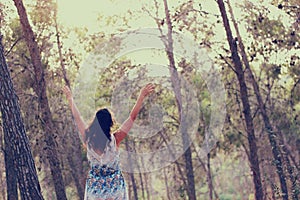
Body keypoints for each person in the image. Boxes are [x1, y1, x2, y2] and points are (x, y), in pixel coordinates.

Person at [63, 83, 155, 200]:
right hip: (115, 189)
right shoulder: (115, 139)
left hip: (95, 189)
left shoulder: (88, 139)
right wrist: (141, 96)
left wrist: (70, 99)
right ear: (110, 124)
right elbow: (132, 117)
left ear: (95, 123)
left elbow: (78, 118)